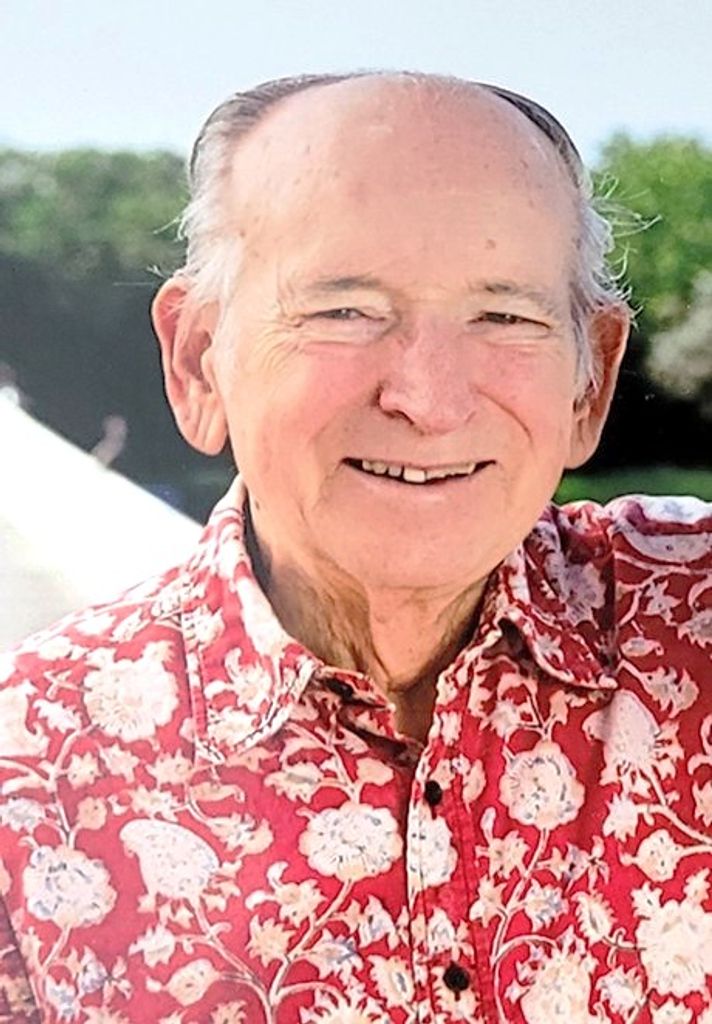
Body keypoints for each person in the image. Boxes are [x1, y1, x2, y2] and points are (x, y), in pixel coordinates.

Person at [1, 71, 711, 1024]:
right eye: (345, 310)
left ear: (591, 383)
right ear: (198, 361)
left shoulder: (690, 616)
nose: (429, 397)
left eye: (505, 316)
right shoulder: (28, 765)